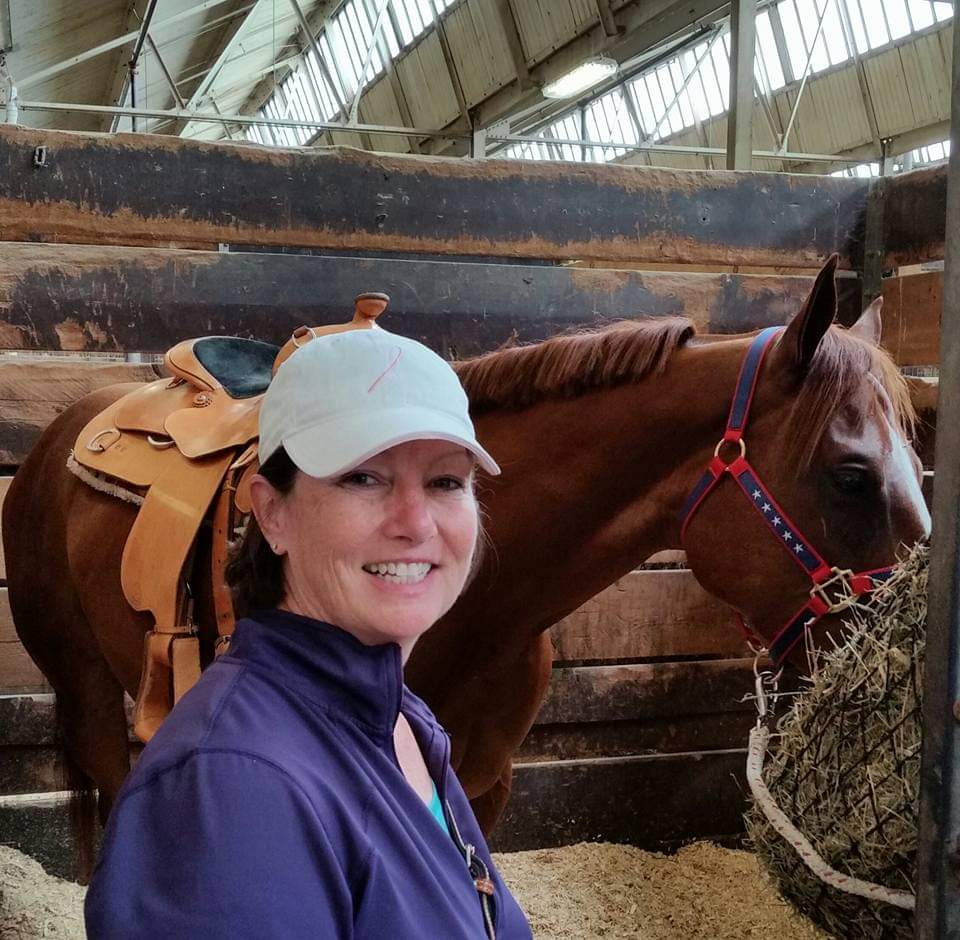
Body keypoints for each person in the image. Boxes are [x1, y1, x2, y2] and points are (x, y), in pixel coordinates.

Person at [84, 326, 533, 939]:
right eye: (363, 478)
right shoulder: (231, 790)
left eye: (445, 482)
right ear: (272, 513)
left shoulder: (398, 718)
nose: (416, 523)